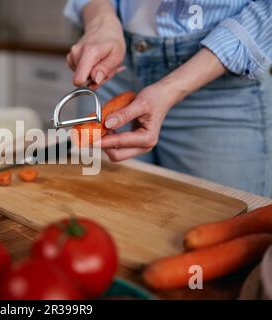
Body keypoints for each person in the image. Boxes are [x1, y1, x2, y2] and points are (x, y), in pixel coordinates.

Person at [63, 0, 272, 196]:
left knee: (213, 215)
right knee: (101, 201)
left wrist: (172, 88)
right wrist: (101, 20)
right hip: (114, 65)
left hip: (220, 78)